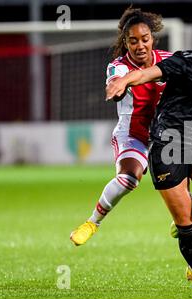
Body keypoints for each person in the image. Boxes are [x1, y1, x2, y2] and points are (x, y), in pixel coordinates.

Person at [106, 1, 192, 293]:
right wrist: (124, 81)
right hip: (167, 144)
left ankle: (189, 208)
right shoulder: (183, 61)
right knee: (186, 227)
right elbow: (144, 74)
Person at [70, 6, 172, 246]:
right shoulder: (119, 67)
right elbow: (115, 84)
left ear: (152, 39)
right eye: (133, 41)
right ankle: (92, 222)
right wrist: (117, 88)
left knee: (182, 196)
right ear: (125, 42)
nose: (140, 46)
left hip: (166, 137)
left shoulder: (168, 60)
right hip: (132, 134)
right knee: (130, 178)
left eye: (144, 39)